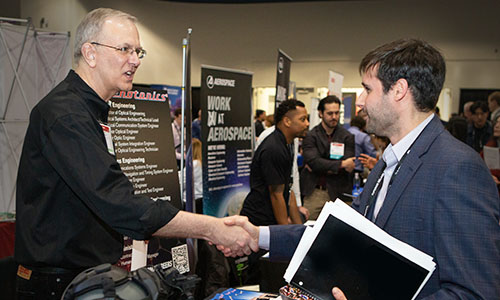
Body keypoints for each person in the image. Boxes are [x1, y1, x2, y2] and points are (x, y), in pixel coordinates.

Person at [224, 39, 500, 299]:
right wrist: (260, 235)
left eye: (367, 89)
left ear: (399, 90)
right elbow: (335, 234)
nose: (359, 101)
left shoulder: (458, 168)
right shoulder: (387, 163)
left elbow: (476, 292)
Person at [14, 8, 256, 300]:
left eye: (138, 51)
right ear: (90, 53)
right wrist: (211, 228)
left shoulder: (91, 110)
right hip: (58, 285)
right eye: (125, 49)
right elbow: (119, 203)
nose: (135, 60)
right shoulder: (66, 114)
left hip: (88, 277)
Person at [240, 99, 309, 226]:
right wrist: (285, 232)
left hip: (268, 220)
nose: (307, 124)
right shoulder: (274, 148)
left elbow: (289, 190)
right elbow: (276, 195)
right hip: (258, 222)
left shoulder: (287, 144)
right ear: (287, 121)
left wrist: (299, 229)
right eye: (302, 119)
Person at [300, 96, 355, 219]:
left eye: (337, 113)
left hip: (340, 193)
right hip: (316, 193)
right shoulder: (311, 136)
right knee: (309, 230)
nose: (334, 117)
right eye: (330, 113)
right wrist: (341, 164)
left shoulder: (347, 136)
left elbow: (350, 164)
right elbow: (314, 162)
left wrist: (320, 164)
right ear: (320, 113)